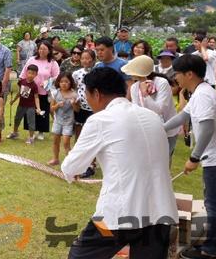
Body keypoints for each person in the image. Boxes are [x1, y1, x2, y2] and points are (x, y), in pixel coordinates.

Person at [62, 67, 178, 258]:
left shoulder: (100, 120)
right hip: (161, 212)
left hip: (119, 214)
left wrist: (70, 172)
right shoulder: (152, 117)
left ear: (96, 93)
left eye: (87, 94)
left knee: (80, 255)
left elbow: (71, 167)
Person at [164, 54, 216, 259]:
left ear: (189, 74)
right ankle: (213, 246)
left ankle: (212, 251)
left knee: (215, 203)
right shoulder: (200, 92)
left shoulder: (203, 95)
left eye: (177, 73)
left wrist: (194, 158)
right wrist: (159, 129)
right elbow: (183, 116)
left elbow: (208, 128)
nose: (175, 77)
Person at [122, 55, 179, 161]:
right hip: (148, 129)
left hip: (168, 129)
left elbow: (159, 109)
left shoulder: (162, 83)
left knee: (163, 160)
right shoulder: (134, 87)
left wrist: (145, 94)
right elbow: (137, 109)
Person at [19, 41, 59, 140]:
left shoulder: (52, 62)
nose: (42, 51)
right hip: (30, 90)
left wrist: (47, 82)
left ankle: (41, 131)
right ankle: (31, 130)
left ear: (49, 50)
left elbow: (57, 76)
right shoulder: (32, 59)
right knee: (30, 111)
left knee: (42, 111)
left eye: (44, 49)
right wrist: (22, 83)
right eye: (40, 48)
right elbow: (24, 73)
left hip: (44, 91)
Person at [48, 72, 78, 166]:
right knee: (56, 140)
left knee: (66, 142)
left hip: (68, 122)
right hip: (58, 121)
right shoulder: (55, 93)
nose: (64, 84)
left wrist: (73, 104)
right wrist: (57, 105)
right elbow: (51, 109)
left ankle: (69, 163)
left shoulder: (74, 94)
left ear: (70, 83)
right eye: (61, 82)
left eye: (66, 82)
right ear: (58, 83)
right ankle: (55, 159)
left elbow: (77, 110)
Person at [7, 65, 42, 144]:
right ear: (26, 72)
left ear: (36, 74)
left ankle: (31, 137)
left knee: (31, 122)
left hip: (31, 107)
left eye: (33, 73)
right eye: (29, 73)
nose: (30, 75)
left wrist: (38, 108)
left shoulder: (34, 86)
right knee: (17, 119)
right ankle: (15, 133)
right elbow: (20, 92)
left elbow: (36, 98)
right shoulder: (22, 81)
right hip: (21, 105)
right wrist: (13, 101)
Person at [72, 50, 95, 139]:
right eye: (83, 58)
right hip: (80, 105)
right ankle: (77, 147)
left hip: (93, 106)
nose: (85, 60)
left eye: (87, 58)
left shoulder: (96, 72)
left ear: (93, 60)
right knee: (78, 126)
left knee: (91, 129)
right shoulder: (76, 73)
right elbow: (74, 88)